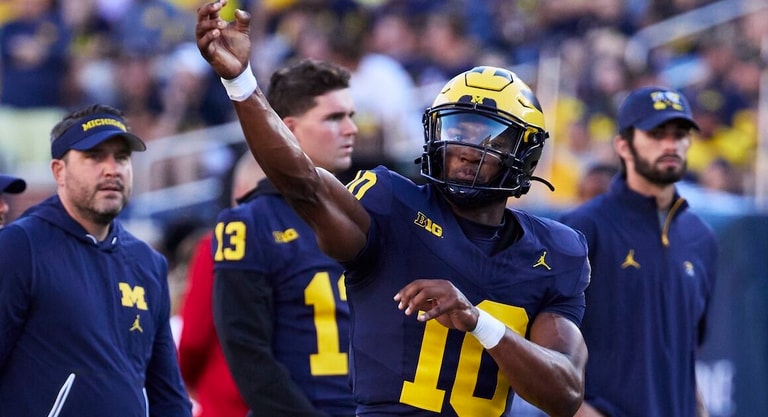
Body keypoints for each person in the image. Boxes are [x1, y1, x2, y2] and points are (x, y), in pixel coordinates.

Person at [195, 2, 591, 416]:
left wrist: (479, 323)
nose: (466, 150)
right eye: (456, 130)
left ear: (523, 155)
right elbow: (304, 183)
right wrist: (241, 82)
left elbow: (564, 393)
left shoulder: (556, 250)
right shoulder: (392, 204)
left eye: (487, 138)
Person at [0, 104, 192, 417]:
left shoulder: (148, 263)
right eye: (94, 156)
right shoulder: (20, 247)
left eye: (121, 157)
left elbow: (167, 393)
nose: (112, 169)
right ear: (58, 171)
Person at [211, 59, 358, 417]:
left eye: (351, 115)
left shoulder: (364, 210)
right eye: (333, 118)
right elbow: (247, 354)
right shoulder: (248, 224)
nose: (352, 129)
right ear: (288, 129)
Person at [559, 86, 716, 417]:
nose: (671, 144)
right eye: (656, 133)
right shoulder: (583, 228)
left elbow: (685, 354)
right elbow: (546, 345)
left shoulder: (701, 238)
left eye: (680, 133)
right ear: (623, 145)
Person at [177, 151, 264, 417]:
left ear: (239, 191)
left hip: (227, 403)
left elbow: (193, 337)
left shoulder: (218, 244)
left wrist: (186, 378)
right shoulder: (312, 242)